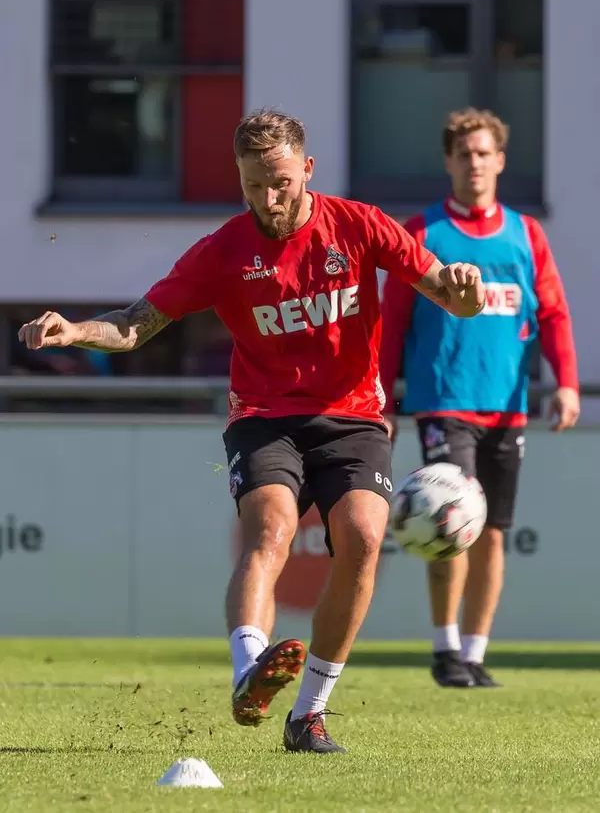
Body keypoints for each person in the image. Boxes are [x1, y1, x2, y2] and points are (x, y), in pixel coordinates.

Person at [18, 109, 485, 752]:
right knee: (271, 528)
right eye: (252, 186)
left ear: (307, 170)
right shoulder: (224, 251)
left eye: (281, 183)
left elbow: (448, 293)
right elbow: (136, 323)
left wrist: (468, 290)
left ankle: (309, 714)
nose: (268, 200)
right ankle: (248, 674)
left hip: (354, 416)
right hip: (265, 417)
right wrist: (75, 330)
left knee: (363, 538)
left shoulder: (358, 225)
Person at [380, 108, 579, 689]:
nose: (474, 163)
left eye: (484, 153)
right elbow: (391, 324)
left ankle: (473, 652)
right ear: (449, 161)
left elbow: (555, 313)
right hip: (444, 401)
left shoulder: (526, 235)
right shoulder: (423, 234)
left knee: (492, 533)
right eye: (464, 154)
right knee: (451, 520)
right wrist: (384, 401)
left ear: (500, 160)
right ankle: (444, 649)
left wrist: (566, 381)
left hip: (507, 404)